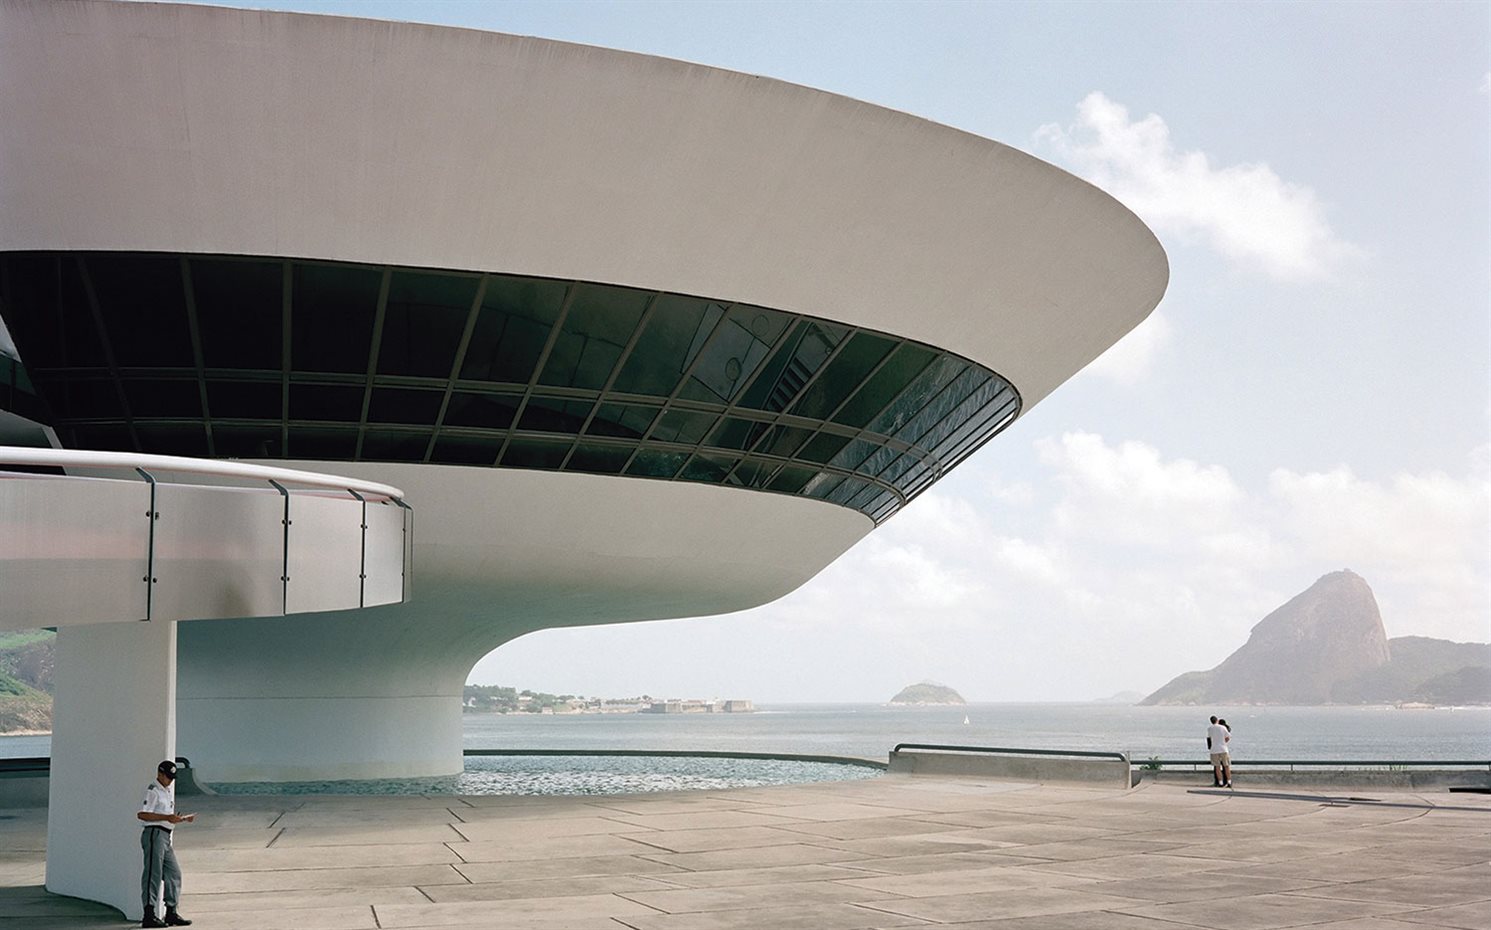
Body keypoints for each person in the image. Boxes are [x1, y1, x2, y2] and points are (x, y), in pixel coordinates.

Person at [137, 760, 195, 928]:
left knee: (173, 873)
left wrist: (180, 819)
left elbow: (167, 816)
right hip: (154, 833)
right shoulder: (153, 790)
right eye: (168, 777)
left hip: (165, 835)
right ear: (160, 774)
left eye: (172, 778)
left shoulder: (166, 790)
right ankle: (148, 914)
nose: (170, 780)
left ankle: (171, 911)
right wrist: (166, 818)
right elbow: (142, 814)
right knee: (152, 873)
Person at [1206, 715, 1231, 788]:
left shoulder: (1210, 728)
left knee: (1217, 767)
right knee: (1226, 766)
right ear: (1217, 720)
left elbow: (1209, 738)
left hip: (1214, 750)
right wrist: (1224, 742)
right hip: (1223, 748)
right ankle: (1229, 782)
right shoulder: (1223, 727)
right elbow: (1228, 737)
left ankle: (1220, 782)